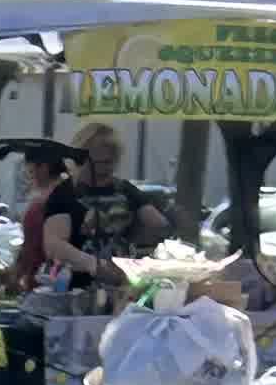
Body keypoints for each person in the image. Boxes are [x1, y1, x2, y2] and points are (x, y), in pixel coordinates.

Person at [41, 124, 169, 294]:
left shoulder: (125, 190)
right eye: (96, 162)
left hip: (123, 290)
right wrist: (93, 264)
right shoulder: (65, 193)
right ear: (80, 159)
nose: (103, 168)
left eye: (108, 162)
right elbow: (53, 245)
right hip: (74, 291)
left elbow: (159, 225)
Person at [12, 139, 77, 290]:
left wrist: (17, 275)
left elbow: (31, 248)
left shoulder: (42, 203)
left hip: (45, 282)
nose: (30, 177)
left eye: (30, 170)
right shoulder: (71, 193)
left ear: (43, 168)